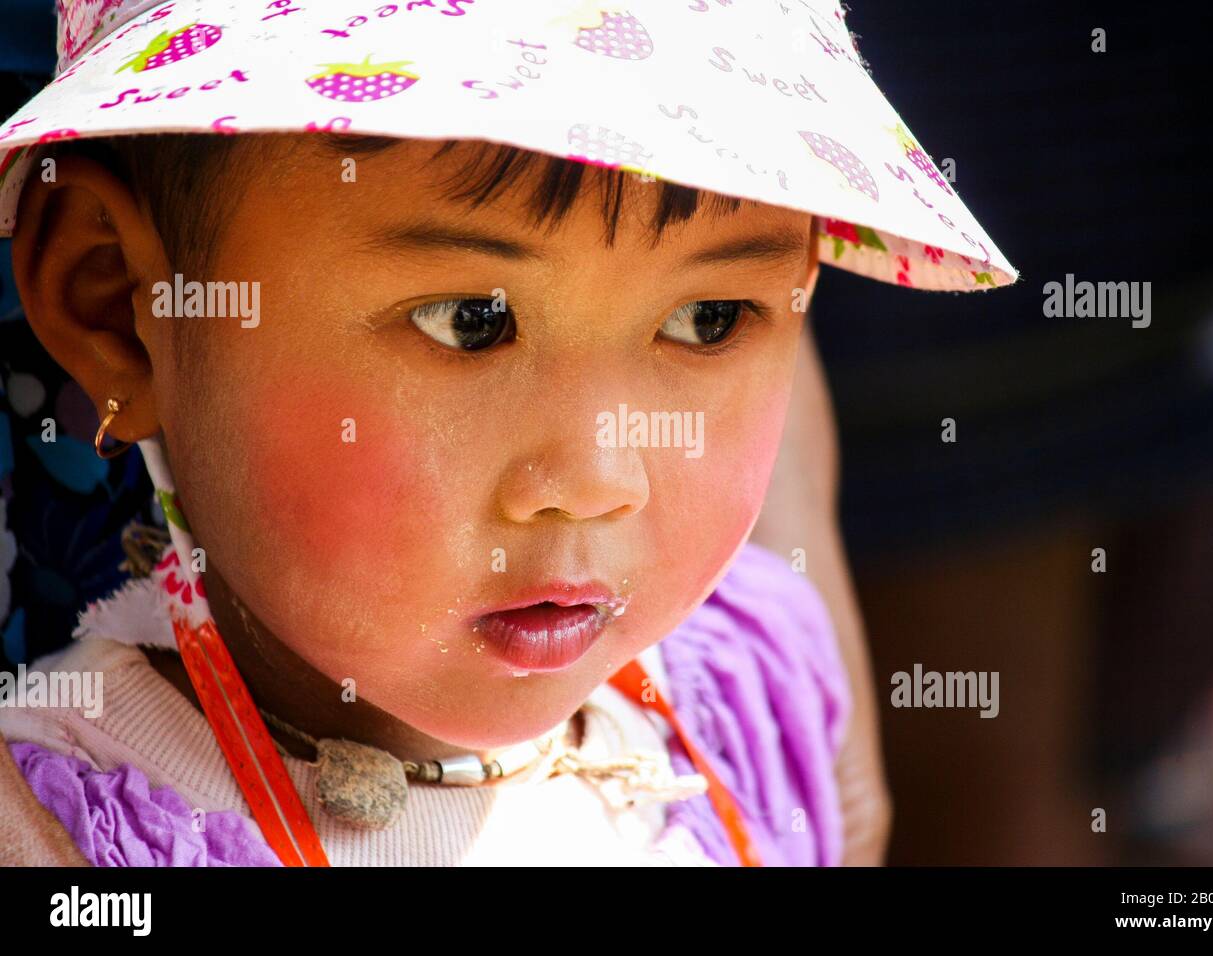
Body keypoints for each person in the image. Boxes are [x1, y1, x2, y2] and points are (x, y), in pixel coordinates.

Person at [0, 0, 1015, 866]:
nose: (594, 477)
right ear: (119, 301)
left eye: (709, 318)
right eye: (472, 321)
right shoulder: (53, 837)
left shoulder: (753, 702)